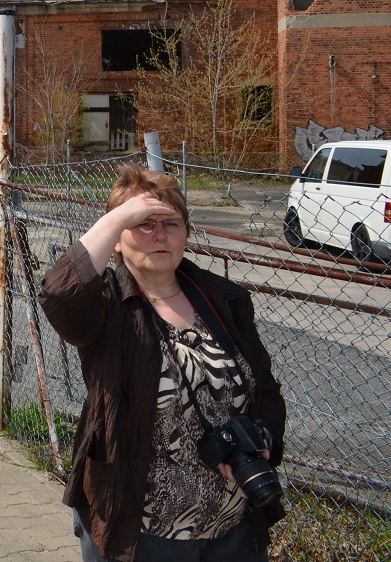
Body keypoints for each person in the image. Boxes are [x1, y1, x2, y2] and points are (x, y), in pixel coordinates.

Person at [39, 164, 286, 562]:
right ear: (116, 240)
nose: (159, 235)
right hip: (140, 527)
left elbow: (266, 388)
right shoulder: (106, 308)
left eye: (170, 223)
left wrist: (262, 441)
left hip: (232, 523)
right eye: (143, 224)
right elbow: (58, 294)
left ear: (186, 234)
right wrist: (121, 214)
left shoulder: (223, 300)